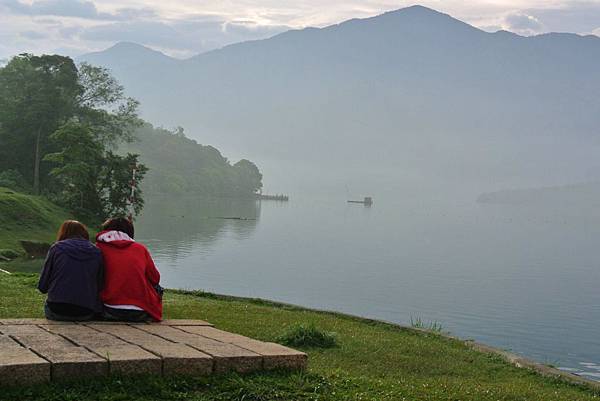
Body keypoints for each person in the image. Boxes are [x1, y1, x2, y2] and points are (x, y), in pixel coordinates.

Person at [96, 217, 163, 322]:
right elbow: (155, 278)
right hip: (141, 310)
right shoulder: (140, 249)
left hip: (108, 308)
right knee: (158, 287)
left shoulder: (98, 248)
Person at [38, 220, 104, 321]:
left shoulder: (57, 248)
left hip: (56, 310)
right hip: (86, 312)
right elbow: (100, 285)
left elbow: (42, 286)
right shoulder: (97, 252)